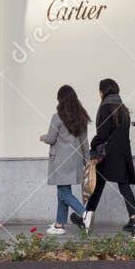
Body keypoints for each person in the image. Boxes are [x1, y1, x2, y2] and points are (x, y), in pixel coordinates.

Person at [83, 78, 135, 233]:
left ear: (103, 91)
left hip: (107, 154)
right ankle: (134, 219)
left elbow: (103, 133)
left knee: (98, 184)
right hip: (122, 152)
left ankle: (87, 217)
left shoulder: (105, 107)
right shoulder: (123, 108)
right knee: (123, 184)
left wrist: (93, 144)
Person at [41, 85, 90, 235]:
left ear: (61, 100)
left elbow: (51, 138)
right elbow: (84, 142)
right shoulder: (81, 117)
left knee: (64, 193)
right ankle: (59, 224)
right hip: (74, 160)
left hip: (61, 161)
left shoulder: (57, 117)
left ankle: (85, 214)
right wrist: (87, 160)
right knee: (62, 191)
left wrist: (42, 137)